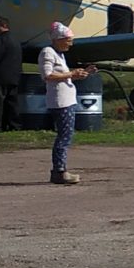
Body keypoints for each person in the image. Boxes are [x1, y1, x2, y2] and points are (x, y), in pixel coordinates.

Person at [40, 23, 91, 185]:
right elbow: (47, 75)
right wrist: (71, 73)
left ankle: (60, 169)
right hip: (60, 101)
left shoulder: (59, 54)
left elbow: (63, 75)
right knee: (64, 136)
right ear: (59, 39)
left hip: (67, 99)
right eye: (68, 40)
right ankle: (59, 171)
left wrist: (81, 74)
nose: (71, 43)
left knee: (66, 135)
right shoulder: (48, 52)